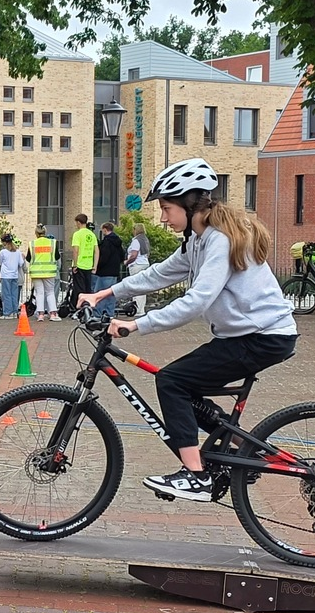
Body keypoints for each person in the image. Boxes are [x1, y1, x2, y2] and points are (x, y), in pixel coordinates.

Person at [77, 158, 298, 502]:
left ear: (189, 202)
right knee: (182, 385)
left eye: (166, 208)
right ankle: (246, 449)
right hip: (244, 337)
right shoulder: (197, 240)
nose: (163, 218)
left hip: (263, 337)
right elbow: (159, 274)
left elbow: (196, 301)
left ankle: (196, 477)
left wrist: (136, 324)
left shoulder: (218, 241)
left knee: (171, 381)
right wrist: (105, 292)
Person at [26, 225, 59, 321]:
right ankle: (53, 313)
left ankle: (40, 314)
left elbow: (28, 258)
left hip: (36, 273)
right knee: (50, 292)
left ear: (36, 233)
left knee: (39, 293)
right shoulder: (52, 243)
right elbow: (57, 257)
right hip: (49, 272)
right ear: (45, 232)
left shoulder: (32, 244)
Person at [93, 222, 125, 317]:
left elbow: (104, 257)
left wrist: (97, 266)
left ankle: (97, 314)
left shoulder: (107, 242)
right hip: (114, 271)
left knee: (100, 293)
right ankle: (109, 313)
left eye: (102, 229)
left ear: (105, 229)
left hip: (105, 272)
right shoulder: (118, 241)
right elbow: (122, 255)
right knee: (111, 294)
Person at [69, 214, 97, 314]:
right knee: (88, 289)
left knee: (79, 289)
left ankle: (79, 310)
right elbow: (96, 251)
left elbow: (76, 250)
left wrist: (75, 265)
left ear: (78, 222)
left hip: (80, 265)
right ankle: (88, 309)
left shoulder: (77, 234)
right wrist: (95, 265)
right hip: (89, 265)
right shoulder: (92, 234)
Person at [0, 233, 26, 320]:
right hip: (15, 275)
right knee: (14, 294)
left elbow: (0, 262)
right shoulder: (17, 252)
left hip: (6, 275)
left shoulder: (3, 252)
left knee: (6, 295)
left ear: (4, 242)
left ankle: (7, 313)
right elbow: (21, 263)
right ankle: (14, 312)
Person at [125, 222, 151, 315]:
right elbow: (148, 253)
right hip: (144, 263)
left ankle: (137, 309)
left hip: (136, 265)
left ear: (136, 230)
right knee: (142, 287)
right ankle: (141, 309)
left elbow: (134, 255)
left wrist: (127, 262)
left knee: (136, 287)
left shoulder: (136, 240)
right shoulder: (145, 240)